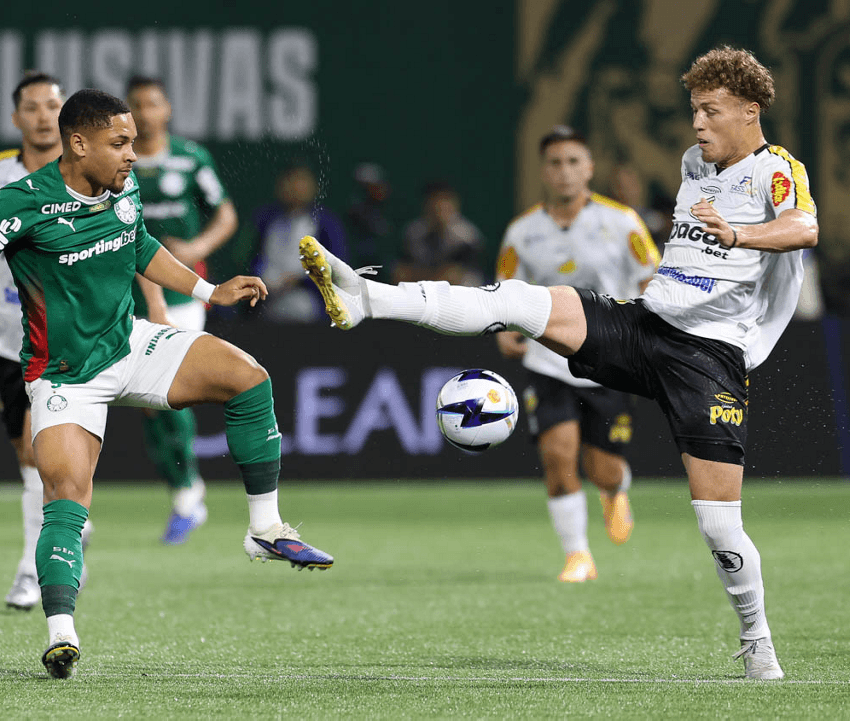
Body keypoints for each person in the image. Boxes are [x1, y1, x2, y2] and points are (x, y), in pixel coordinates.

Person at [301, 46, 813, 680]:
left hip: (707, 357)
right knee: (516, 300)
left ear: (750, 110)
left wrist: (737, 235)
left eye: (710, 112)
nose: (698, 125)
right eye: (693, 112)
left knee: (718, 525)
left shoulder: (777, 170)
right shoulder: (694, 163)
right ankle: (366, 298)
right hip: (644, 324)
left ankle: (757, 638)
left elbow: (802, 229)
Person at [0, 89, 334, 679]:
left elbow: (140, 245)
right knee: (65, 499)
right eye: (120, 143)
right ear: (78, 143)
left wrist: (205, 291)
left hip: (131, 343)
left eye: (134, 142)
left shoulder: (120, 187)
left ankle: (265, 529)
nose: (132, 155)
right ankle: (61, 633)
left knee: (250, 380)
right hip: (66, 377)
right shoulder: (21, 203)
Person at [0, 71, 92, 612]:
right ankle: (69, 523)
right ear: (16, 118)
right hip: (10, 338)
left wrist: (157, 304)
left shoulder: (86, 171)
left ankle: (34, 569)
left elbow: (129, 238)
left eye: (53, 104)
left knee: (37, 452)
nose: (44, 115)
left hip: (73, 335)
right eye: (32, 106)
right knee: (30, 455)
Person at [496, 126, 660, 583]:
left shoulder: (623, 220)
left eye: (573, 162)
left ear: (589, 168)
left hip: (611, 359)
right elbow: (506, 289)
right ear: (543, 172)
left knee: (602, 467)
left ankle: (615, 489)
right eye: (555, 163)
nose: (564, 172)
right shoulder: (522, 232)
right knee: (557, 454)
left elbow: (653, 278)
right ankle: (578, 556)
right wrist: (505, 331)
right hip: (548, 359)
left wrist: (648, 335)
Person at [125, 75, 239, 544]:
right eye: (137, 106)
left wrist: (195, 247)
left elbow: (226, 214)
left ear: (167, 108)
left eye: (153, 104)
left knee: (171, 390)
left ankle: (190, 494)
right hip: (125, 295)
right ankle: (184, 491)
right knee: (148, 405)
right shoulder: (120, 161)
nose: (146, 113)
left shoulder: (191, 158)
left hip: (180, 295)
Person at [251, 163, 348, 323]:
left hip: (310, 302)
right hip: (264, 300)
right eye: (290, 181)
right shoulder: (265, 220)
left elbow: (337, 268)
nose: (294, 187)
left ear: (313, 187)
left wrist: (301, 281)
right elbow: (249, 259)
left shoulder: (326, 223)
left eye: (301, 181)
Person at [395, 181, 485, 285]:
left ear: (455, 203)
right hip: (421, 291)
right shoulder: (413, 232)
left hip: (461, 294)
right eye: (433, 198)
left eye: (444, 199)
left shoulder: (467, 235)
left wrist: (417, 275)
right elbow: (401, 273)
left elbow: (451, 276)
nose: (438, 204)